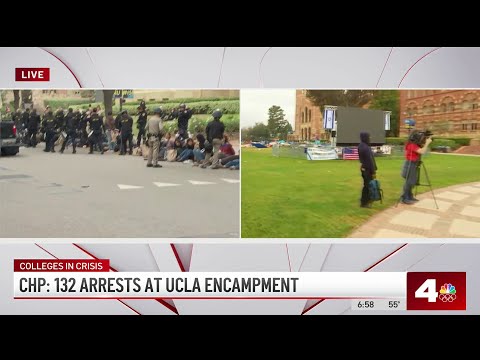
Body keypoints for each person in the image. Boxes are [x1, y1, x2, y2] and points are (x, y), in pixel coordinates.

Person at [400, 130, 433, 204]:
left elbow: (421, 146)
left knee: (412, 181)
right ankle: (404, 198)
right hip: (410, 164)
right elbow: (422, 151)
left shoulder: (414, 144)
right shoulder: (411, 145)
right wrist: (427, 143)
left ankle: (409, 196)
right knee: (409, 182)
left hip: (414, 164)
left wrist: (426, 139)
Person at [358, 132, 377, 208]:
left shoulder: (361, 146)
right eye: (369, 137)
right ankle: (364, 202)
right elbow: (370, 161)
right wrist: (373, 171)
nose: (370, 138)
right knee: (367, 186)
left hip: (364, 168)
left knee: (366, 185)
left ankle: (365, 200)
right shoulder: (366, 147)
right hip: (367, 169)